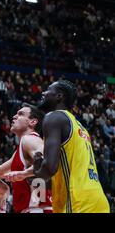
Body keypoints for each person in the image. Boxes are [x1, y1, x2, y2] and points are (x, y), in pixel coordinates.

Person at [33, 80, 110, 213]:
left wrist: (37, 170)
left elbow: (49, 168)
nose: (44, 92)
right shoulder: (80, 127)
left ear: (59, 96)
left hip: (77, 202)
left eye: (48, 90)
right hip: (98, 200)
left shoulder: (54, 117)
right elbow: (60, 178)